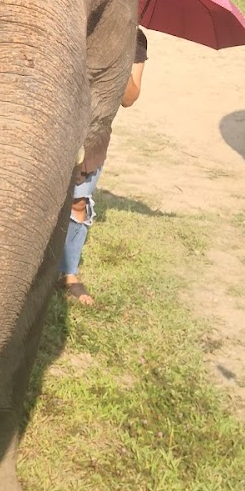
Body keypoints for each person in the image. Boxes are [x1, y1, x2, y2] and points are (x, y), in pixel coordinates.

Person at [61, 29, 147, 304]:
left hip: (93, 132)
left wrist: (118, 54)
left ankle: (68, 273)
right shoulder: (71, 21)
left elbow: (130, 97)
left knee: (78, 202)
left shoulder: (134, 40)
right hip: (54, 123)